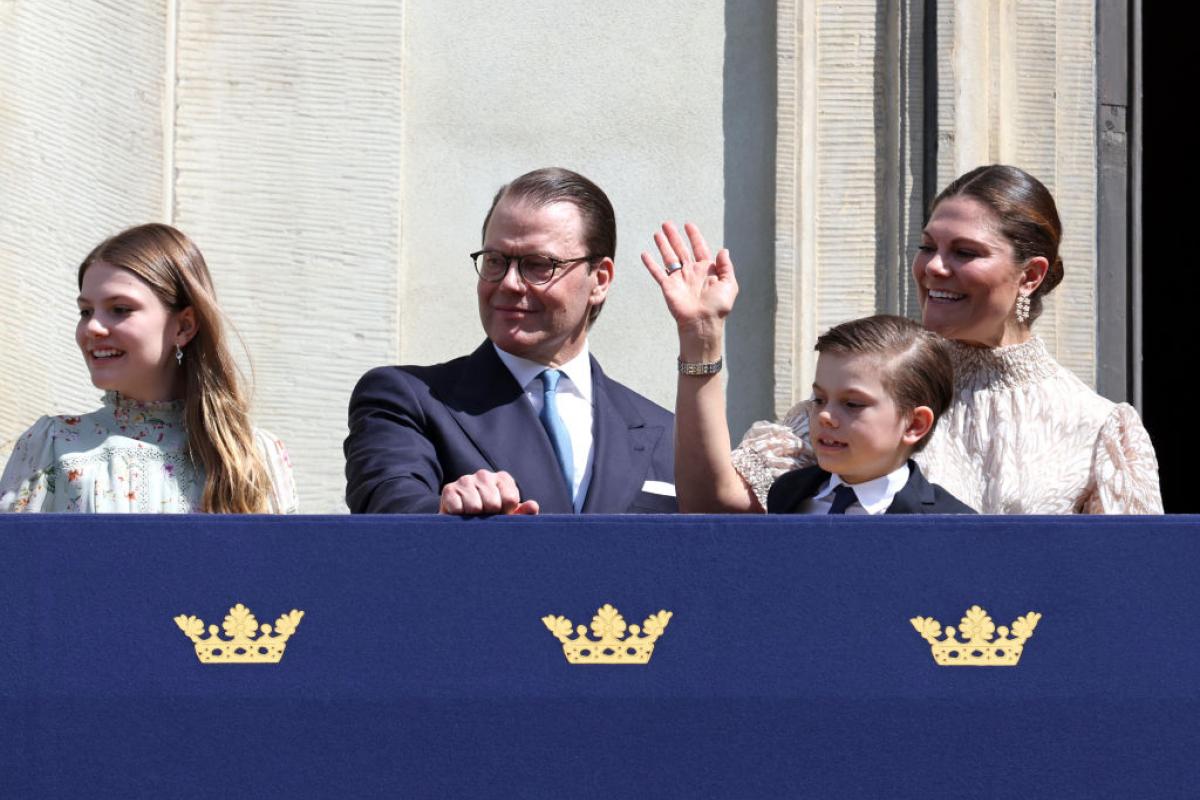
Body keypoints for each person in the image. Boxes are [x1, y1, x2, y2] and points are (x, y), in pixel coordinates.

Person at [642, 164, 1161, 514]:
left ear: (1030, 275)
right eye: (927, 246)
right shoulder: (870, 382)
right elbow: (717, 509)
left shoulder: (1098, 431)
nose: (934, 267)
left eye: (965, 253)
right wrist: (701, 338)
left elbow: (1125, 600)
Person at [344, 167, 676, 515]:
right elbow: (389, 506)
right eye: (495, 261)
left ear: (600, 279)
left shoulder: (666, 434)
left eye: (538, 265)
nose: (509, 283)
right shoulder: (408, 398)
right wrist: (443, 517)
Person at [0, 224, 298, 513]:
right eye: (86, 311)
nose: (92, 327)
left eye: (120, 309)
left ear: (184, 326)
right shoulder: (51, 446)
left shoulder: (254, 457)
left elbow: (281, 563)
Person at [767, 315, 974, 515]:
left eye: (852, 404)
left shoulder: (947, 523)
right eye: (819, 400)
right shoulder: (787, 493)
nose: (825, 416)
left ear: (914, 425)